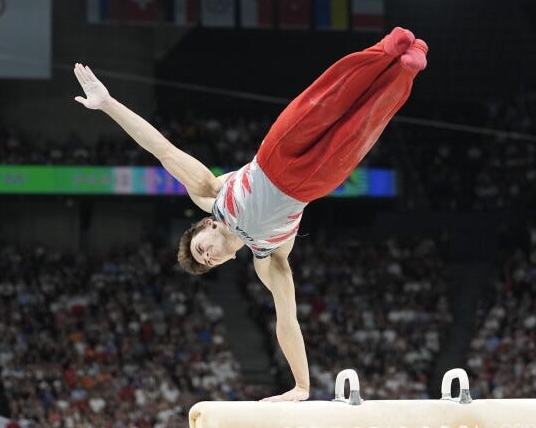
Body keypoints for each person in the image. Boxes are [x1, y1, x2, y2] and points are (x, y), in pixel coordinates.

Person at [72, 27, 428, 401]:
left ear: (206, 226)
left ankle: (386, 49)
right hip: (313, 184)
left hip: (276, 155)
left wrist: (108, 103)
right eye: (207, 262)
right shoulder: (268, 257)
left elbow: (161, 149)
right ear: (223, 264)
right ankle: (406, 68)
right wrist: (302, 386)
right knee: (364, 124)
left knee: (327, 99)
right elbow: (287, 321)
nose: (207, 256)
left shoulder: (212, 196)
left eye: (199, 249)